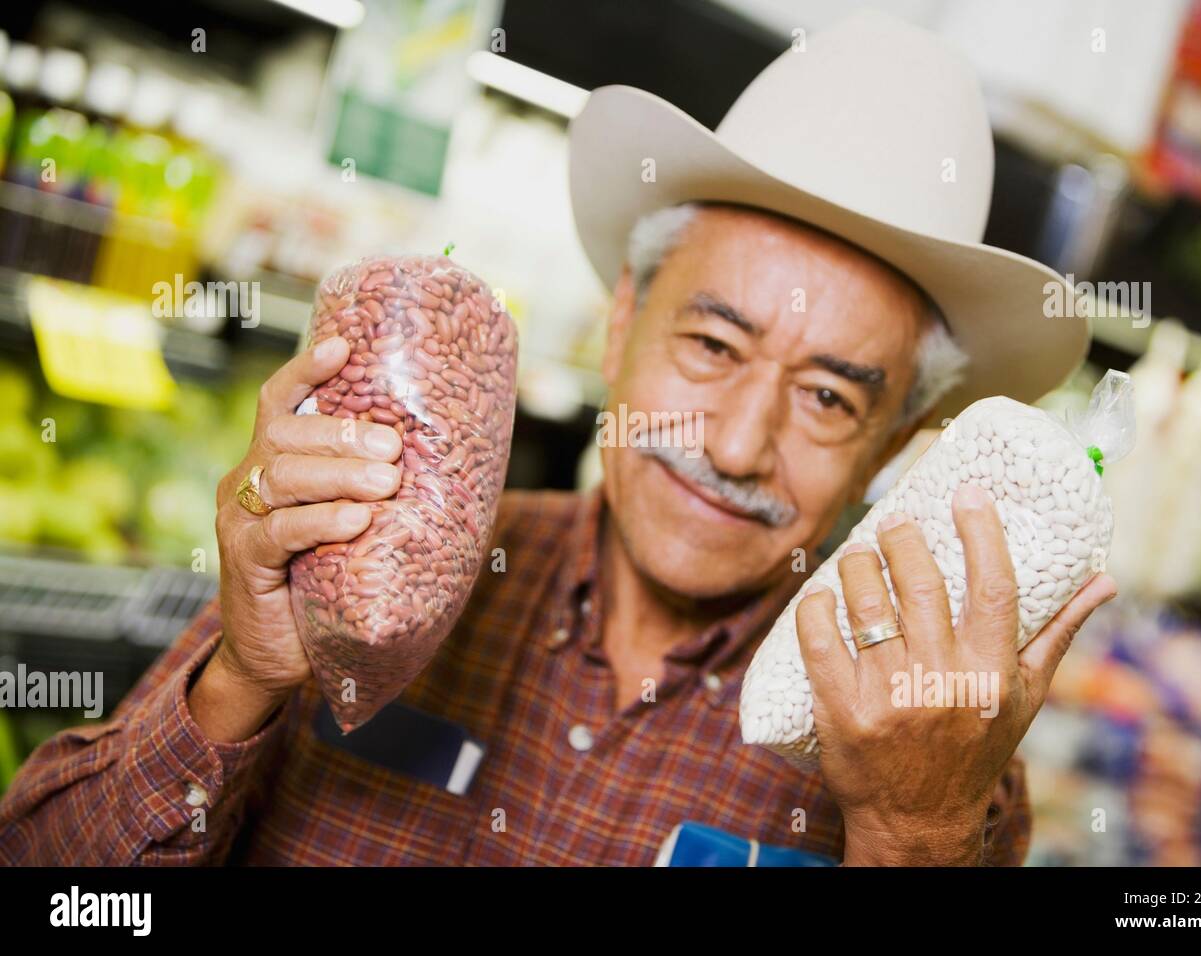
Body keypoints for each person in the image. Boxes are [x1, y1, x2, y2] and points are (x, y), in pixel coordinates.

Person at [0, 9, 1113, 866]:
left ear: (899, 443)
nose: (732, 444)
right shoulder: (346, 557)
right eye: (712, 347)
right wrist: (242, 677)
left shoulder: (927, 747)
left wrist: (910, 836)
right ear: (621, 323)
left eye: (829, 398)